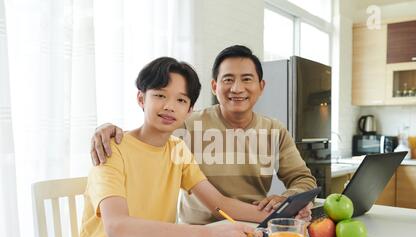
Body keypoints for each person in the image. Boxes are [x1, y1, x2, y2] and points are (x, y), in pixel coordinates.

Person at [69, 57, 271, 237]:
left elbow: (220, 204)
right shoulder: (112, 148)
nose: (169, 106)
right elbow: (117, 228)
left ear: (189, 110)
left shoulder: (177, 149)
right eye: (160, 95)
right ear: (141, 99)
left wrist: (282, 216)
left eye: (181, 100)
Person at [90, 45, 317, 225]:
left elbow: (303, 179)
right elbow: (148, 136)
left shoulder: (274, 131)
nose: (237, 88)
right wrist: (107, 129)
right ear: (214, 86)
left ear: (261, 86)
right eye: (228, 80)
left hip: (253, 224)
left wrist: (286, 203)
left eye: (247, 79)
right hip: (195, 231)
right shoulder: (188, 123)